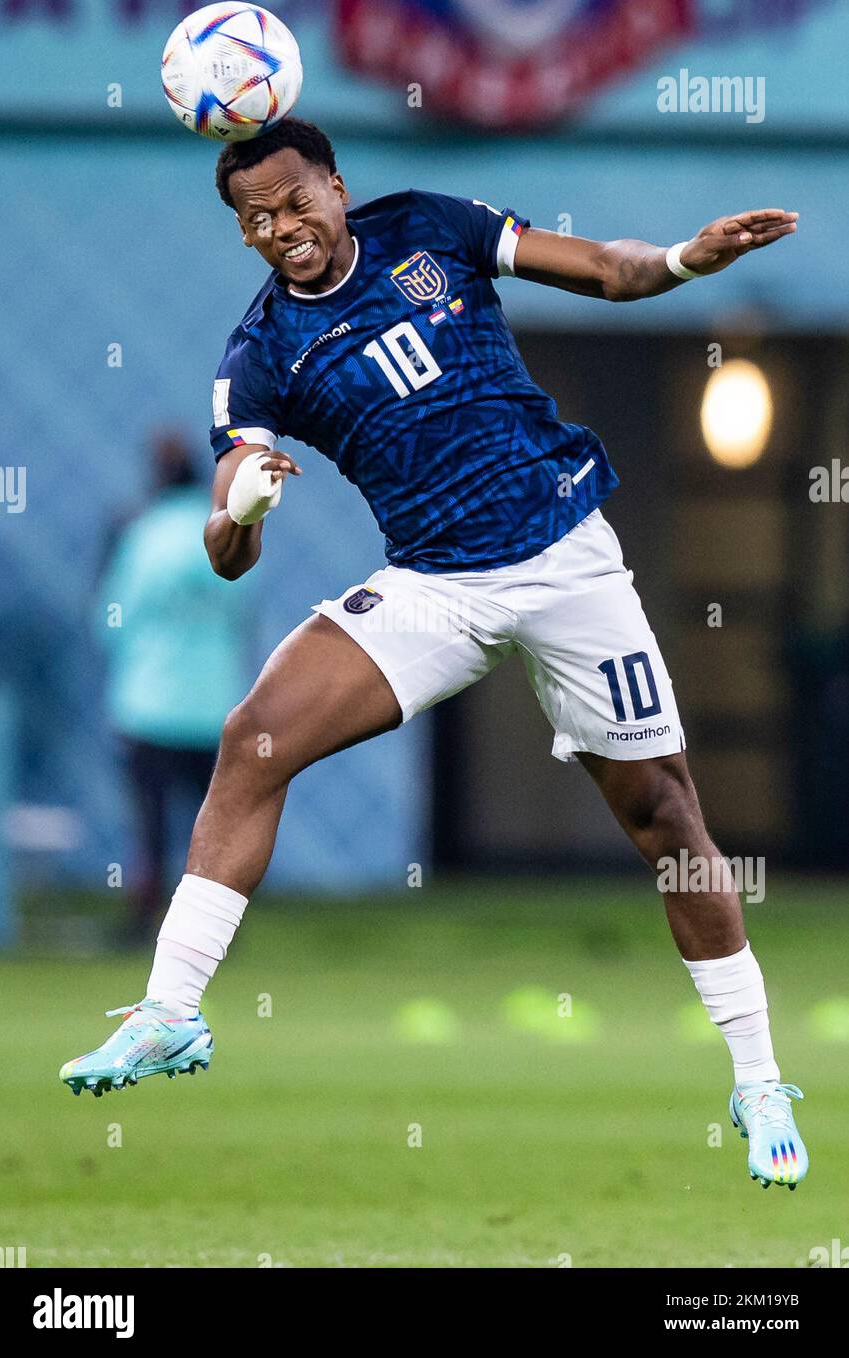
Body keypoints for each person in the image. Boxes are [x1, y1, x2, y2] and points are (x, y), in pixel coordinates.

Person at [62, 120, 806, 1189]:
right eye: (256, 220)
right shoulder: (258, 353)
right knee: (255, 736)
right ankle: (170, 1012)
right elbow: (226, 548)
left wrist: (688, 259)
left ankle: (757, 1077)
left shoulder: (426, 228)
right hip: (434, 587)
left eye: (294, 200)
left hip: (563, 557)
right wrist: (249, 503)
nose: (283, 229)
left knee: (666, 818)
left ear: (336, 183)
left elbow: (601, 268)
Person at [97, 432, 252, 938]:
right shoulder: (228, 530)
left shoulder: (142, 534)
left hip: (150, 703)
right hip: (215, 704)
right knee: (216, 823)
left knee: (152, 827)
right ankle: (219, 925)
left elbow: (110, 620)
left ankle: (146, 919)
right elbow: (244, 611)